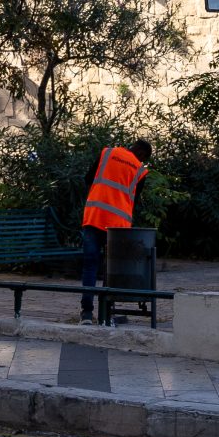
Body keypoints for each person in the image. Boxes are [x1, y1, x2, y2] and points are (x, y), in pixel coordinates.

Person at [78, 138, 151, 323]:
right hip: (118, 226)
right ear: (141, 154)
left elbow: (88, 179)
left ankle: (86, 313)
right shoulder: (140, 170)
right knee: (111, 269)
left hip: (94, 216)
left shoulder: (107, 153)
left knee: (90, 265)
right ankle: (106, 314)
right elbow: (134, 198)